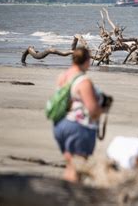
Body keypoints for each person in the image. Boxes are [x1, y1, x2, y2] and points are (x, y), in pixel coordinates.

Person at [53, 47, 111, 182]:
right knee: (77, 168)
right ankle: (72, 199)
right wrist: (104, 108)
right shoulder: (84, 81)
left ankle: (65, 196)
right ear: (87, 61)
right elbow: (93, 111)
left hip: (60, 125)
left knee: (70, 166)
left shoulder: (63, 76)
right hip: (78, 128)